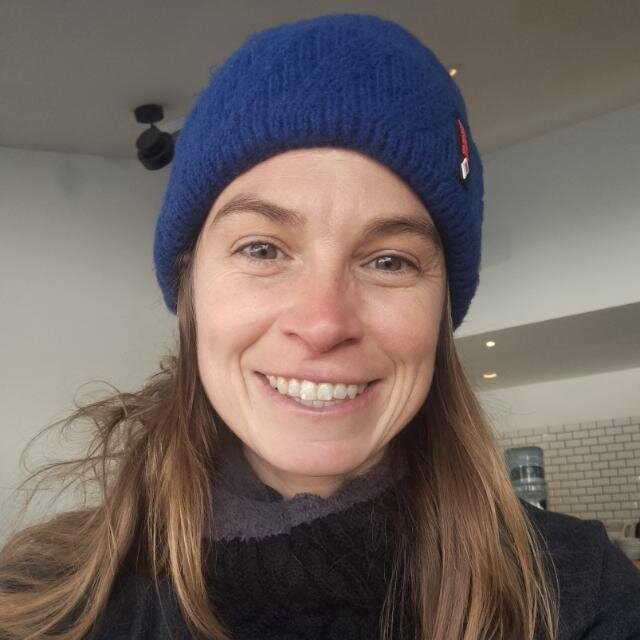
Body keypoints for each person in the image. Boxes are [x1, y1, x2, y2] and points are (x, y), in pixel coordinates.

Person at [1, 13, 639, 640]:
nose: (323, 322)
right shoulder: (39, 600)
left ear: (443, 310)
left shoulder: (581, 592)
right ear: (190, 287)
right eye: (263, 249)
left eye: (390, 260)